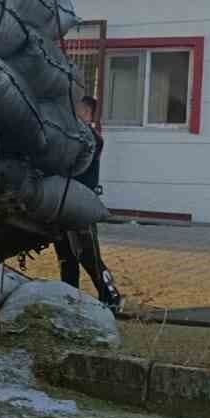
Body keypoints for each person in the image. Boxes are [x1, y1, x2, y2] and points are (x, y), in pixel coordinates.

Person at [53, 95, 123, 313]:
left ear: (87, 112)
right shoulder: (73, 136)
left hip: (81, 207)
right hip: (64, 205)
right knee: (66, 257)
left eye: (78, 110)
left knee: (89, 257)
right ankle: (70, 296)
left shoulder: (92, 138)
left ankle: (111, 297)